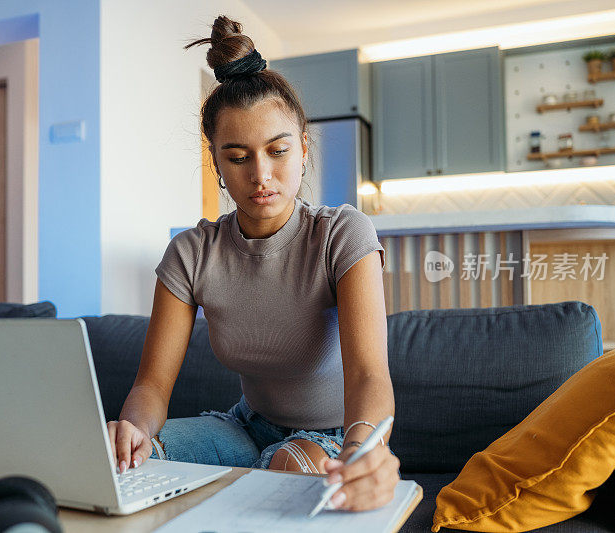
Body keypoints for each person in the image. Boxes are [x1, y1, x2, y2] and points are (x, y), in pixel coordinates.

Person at [106, 15, 399, 512]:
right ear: (217, 163)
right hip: (244, 427)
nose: (261, 174)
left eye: (278, 150)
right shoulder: (191, 254)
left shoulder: (342, 235)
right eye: (238, 157)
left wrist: (360, 450)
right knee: (137, 462)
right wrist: (131, 430)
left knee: (289, 472)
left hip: (330, 439)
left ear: (304, 149)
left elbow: (369, 375)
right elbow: (151, 386)